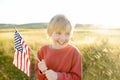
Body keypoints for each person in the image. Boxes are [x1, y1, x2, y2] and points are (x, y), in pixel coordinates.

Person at [35, 14, 82, 80]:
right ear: (50, 33)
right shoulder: (42, 50)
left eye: (67, 34)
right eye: (58, 33)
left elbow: (77, 78)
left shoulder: (74, 53)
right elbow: (39, 76)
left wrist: (58, 76)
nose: (62, 38)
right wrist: (41, 71)